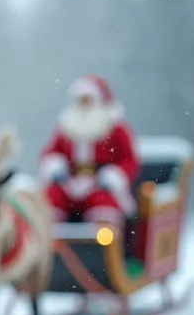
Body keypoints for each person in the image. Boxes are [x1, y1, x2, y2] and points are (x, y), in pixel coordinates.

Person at [38, 75, 140, 227]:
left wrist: (112, 177)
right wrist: (56, 170)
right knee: (51, 200)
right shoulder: (66, 129)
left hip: (101, 185)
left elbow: (129, 159)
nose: (84, 105)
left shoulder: (115, 129)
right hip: (70, 183)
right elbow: (50, 154)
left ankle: (105, 247)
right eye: (80, 101)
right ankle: (53, 241)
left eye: (88, 100)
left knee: (104, 206)